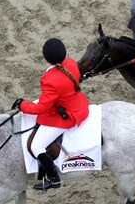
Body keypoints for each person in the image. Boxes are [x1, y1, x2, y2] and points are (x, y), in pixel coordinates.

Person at [12, 38, 90, 190]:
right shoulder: (70, 62)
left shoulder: (51, 80)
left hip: (66, 116)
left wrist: (22, 105)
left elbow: (40, 108)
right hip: (77, 103)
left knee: (36, 146)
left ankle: (53, 178)